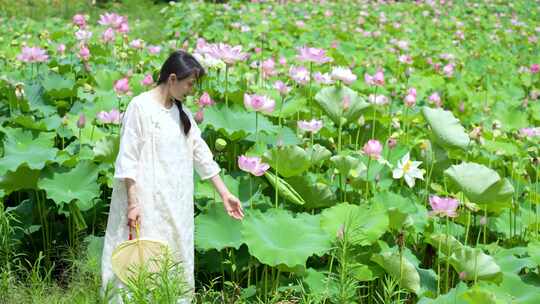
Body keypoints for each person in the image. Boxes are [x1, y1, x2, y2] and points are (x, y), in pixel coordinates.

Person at [100, 50, 244, 303]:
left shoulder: (182, 114)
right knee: (141, 262)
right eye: (189, 84)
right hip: (145, 202)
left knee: (174, 257)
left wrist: (225, 193)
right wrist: (133, 204)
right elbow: (128, 158)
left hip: (176, 203)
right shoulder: (140, 107)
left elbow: (201, 154)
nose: (192, 90)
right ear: (173, 78)